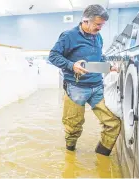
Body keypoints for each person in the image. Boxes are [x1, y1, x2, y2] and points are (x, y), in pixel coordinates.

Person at [49, 4, 121, 156]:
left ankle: (101, 157)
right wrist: (71, 65)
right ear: (86, 21)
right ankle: (70, 155)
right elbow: (53, 56)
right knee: (73, 127)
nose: (100, 28)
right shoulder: (69, 36)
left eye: (102, 24)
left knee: (113, 123)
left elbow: (97, 58)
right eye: (98, 24)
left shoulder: (98, 36)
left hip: (97, 87)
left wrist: (108, 66)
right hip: (76, 87)